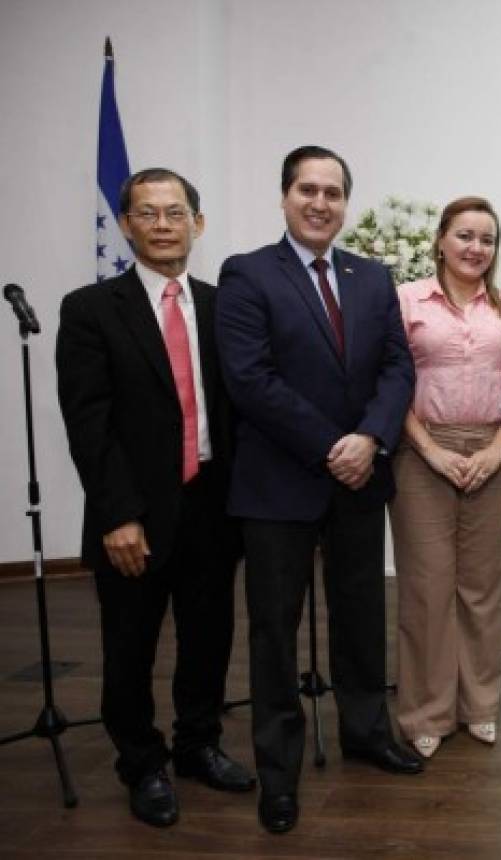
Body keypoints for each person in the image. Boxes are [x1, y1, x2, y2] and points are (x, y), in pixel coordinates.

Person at [215, 145, 420, 835]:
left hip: (362, 479)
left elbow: (397, 367)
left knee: (362, 615)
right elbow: (249, 379)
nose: (320, 203)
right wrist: (334, 446)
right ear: (284, 197)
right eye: (308, 189)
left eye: (333, 192)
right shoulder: (247, 274)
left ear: (345, 204)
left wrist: (370, 439)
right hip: (279, 484)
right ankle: (279, 772)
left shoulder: (372, 275)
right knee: (275, 630)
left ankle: (367, 731)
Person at [56, 168, 254, 828]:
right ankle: (141, 762)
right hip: (133, 514)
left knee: (208, 640)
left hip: (211, 506)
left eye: (176, 212)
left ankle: (198, 745)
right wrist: (117, 514)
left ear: (198, 224)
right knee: (130, 648)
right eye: (149, 212)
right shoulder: (89, 310)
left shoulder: (224, 303)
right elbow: (89, 422)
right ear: (126, 224)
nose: (163, 223)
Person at [391, 196, 501, 759]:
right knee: (427, 587)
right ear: (442, 239)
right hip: (422, 451)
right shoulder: (405, 301)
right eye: (465, 235)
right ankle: (427, 710)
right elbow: (391, 383)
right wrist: (431, 451)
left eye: (487, 239)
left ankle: (479, 706)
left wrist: (498, 449)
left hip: (493, 449)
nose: (476, 248)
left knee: (481, 586)